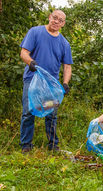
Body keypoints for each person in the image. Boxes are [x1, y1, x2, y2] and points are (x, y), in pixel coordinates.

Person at [19, 10, 73, 153]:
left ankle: (53, 146)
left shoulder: (64, 43)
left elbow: (67, 66)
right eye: (55, 18)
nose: (56, 21)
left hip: (51, 86)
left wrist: (65, 83)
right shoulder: (35, 32)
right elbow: (24, 53)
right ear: (49, 17)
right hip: (32, 80)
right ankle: (26, 146)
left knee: (51, 113)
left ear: (63, 24)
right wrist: (31, 63)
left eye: (60, 20)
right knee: (28, 111)